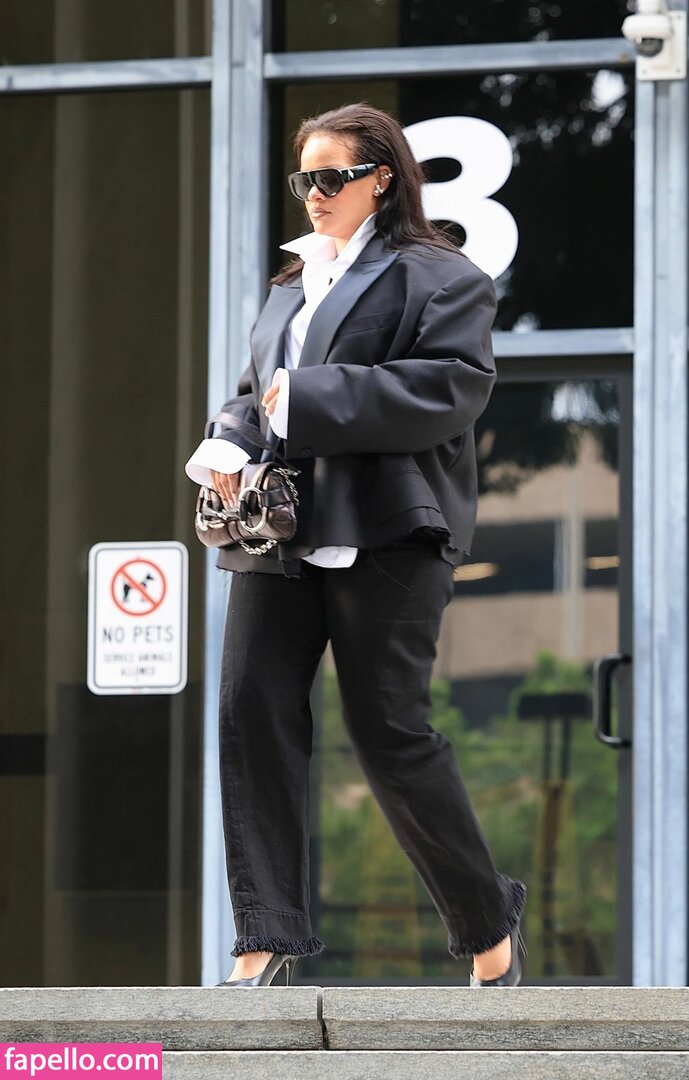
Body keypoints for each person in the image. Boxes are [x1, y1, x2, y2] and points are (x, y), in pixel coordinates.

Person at [185, 102, 528, 988]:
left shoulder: (443, 276)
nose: (314, 193)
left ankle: (487, 922)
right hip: (280, 532)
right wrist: (227, 441)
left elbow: (451, 388)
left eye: (331, 175)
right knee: (251, 714)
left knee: (390, 734)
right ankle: (264, 940)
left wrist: (307, 398)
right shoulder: (292, 281)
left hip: (387, 532)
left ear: (381, 177)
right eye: (303, 178)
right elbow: (255, 390)